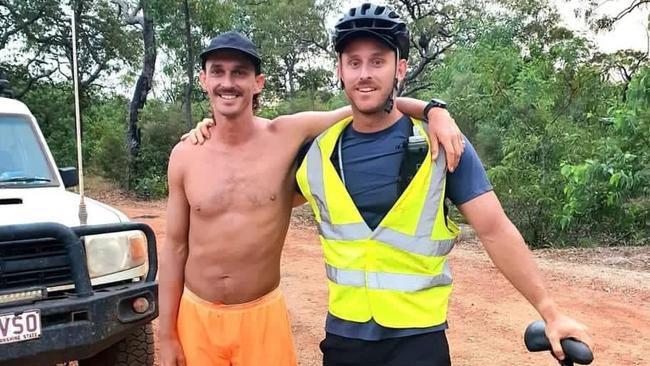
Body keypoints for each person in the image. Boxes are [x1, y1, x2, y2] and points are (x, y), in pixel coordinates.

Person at [292, 3, 594, 366]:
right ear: (340, 71)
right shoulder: (317, 153)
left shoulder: (443, 145)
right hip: (343, 341)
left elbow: (495, 230)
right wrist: (207, 132)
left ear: (400, 68)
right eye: (353, 63)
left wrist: (550, 311)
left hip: (418, 342)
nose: (364, 74)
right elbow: (254, 201)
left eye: (377, 61)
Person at [160, 30, 464, 366]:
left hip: (262, 316)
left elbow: (366, 103)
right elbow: (174, 248)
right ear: (203, 79)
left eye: (239, 73)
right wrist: (166, 334)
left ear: (258, 82)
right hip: (197, 315)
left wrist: (434, 110)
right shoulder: (186, 154)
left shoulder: (286, 134)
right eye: (217, 71)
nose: (227, 82)